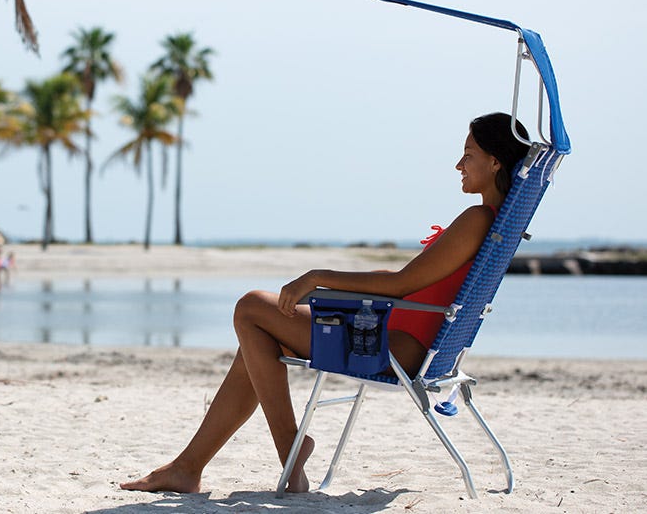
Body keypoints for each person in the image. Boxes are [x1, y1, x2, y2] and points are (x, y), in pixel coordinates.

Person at [119, 112, 531, 495]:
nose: (459, 165)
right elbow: (409, 288)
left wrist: (316, 278)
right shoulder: (493, 224)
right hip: (399, 337)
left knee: (250, 307)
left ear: (495, 163)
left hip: (390, 345)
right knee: (258, 343)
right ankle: (188, 468)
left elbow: (402, 283)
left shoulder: (478, 220)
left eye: (468, 155)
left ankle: (286, 452)